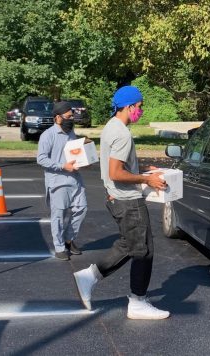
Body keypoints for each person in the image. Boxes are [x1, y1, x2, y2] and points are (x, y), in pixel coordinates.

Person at [73, 86, 170, 320]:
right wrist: (147, 179)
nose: (141, 110)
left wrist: (141, 169)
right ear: (129, 107)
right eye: (140, 106)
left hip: (117, 198)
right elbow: (116, 172)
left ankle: (89, 276)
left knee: (129, 244)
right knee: (143, 251)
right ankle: (138, 302)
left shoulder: (111, 127)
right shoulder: (123, 134)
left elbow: (117, 165)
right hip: (128, 201)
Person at [37, 101, 87, 261]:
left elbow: (74, 152)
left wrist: (83, 159)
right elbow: (41, 159)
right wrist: (62, 166)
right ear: (58, 117)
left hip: (75, 180)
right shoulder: (48, 135)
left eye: (72, 116)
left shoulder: (71, 132)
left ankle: (68, 239)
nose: (71, 119)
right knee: (58, 216)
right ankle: (59, 247)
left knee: (82, 208)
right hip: (57, 182)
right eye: (68, 116)